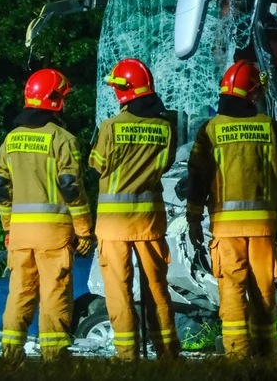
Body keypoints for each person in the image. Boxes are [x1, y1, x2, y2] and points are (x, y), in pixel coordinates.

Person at [187, 60, 277, 358]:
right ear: (253, 95)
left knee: (231, 295)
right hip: (265, 230)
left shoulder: (211, 130)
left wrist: (194, 219)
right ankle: (266, 358)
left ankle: (237, 358)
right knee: (264, 297)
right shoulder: (270, 128)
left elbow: (197, 179)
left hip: (226, 231)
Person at [0, 69, 94, 363]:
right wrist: (84, 229)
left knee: (20, 294)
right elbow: (71, 187)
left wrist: (8, 227)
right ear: (55, 100)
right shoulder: (62, 139)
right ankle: (55, 358)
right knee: (54, 294)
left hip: (20, 235)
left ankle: (11, 356)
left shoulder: (10, 140)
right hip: (53, 235)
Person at [91, 59, 181, 360]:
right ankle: (168, 353)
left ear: (124, 92)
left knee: (119, 290)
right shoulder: (166, 127)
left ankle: (127, 355)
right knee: (157, 288)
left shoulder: (111, 127)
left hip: (114, 225)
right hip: (149, 222)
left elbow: (99, 166)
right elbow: (165, 165)